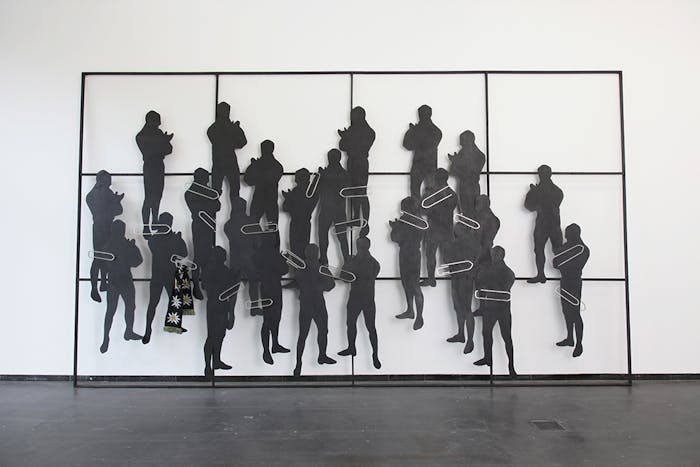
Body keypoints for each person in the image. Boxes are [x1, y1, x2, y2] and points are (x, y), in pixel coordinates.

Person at [142, 212, 188, 344]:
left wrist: (178, 240)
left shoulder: (155, 239)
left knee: (171, 302)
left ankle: (171, 325)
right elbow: (181, 253)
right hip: (162, 275)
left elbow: (184, 253)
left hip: (165, 275)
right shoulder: (156, 239)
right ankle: (148, 329)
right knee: (155, 303)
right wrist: (177, 240)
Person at [98, 220, 143, 353]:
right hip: (120, 280)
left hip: (118, 280)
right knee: (114, 310)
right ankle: (109, 337)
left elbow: (137, 262)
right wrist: (132, 248)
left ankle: (126, 332)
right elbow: (137, 262)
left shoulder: (110, 245)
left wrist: (132, 248)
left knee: (123, 308)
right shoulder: (115, 245)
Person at [293, 244, 337, 377]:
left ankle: (304, 361)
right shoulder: (315, 267)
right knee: (314, 332)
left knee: (307, 333)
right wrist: (319, 286)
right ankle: (317, 357)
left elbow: (331, 284)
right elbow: (331, 284)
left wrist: (316, 286)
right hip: (315, 302)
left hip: (311, 302)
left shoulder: (303, 266)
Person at [339, 237, 381, 369]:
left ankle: (353, 348)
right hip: (368, 298)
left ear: (357, 246)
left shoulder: (354, 262)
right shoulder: (375, 263)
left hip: (357, 298)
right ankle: (374, 354)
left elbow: (343, 278)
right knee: (370, 328)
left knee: (353, 324)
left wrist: (347, 262)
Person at [473, 246, 516, 376]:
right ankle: (487, 358)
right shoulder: (487, 269)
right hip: (489, 308)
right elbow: (480, 282)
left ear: (502, 256)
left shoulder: (508, 272)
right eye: (492, 254)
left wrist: (488, 284)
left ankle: (511, 367)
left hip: (502, 309)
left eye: (495, 255)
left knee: (507, 337)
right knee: (486, 333)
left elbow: (505, 287)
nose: (493, 257)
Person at [553, 223, 590, 357]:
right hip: (565, 281)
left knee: (575, 313)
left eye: (567, 233)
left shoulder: (582, 249)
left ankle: (579, 343)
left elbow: (559, 263)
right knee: (566, 311)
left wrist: (562, 262)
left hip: (574, 282)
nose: (566, 236)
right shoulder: (570, 247)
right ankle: (570, 337)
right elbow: (556, 259)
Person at [443, 223, 481, 354]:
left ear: (463, 229)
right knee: (458, 307)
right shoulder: (462, 242)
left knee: (465, 309)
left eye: (457, 229)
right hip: (456, 277)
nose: (455, 231)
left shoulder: (469, 242)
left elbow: (448, 258)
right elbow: (448, 259)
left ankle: (470, 340)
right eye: (455, 230)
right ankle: (461, 334)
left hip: (465, 278)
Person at [86, 170, 123, 302]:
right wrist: (116, 201)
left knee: (102, 256)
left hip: (99, 227)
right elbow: (118, 210)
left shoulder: (93, 194)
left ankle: (101, 284)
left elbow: (91, 202)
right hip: (105, 228)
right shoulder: (105, 193)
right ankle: (98, 285)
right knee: (104, 256)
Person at [201, 246, 239, 377]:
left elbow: (205, 286)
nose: (225, 258)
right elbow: (232, 289)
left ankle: (215, 361)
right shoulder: (222, 270)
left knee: (217, 335)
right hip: (218, 304)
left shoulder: (209, 269)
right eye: (223, 256)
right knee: (214, 336)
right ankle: (209, 365)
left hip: (215, 304)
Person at [254, 232, 290, 364]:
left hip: (264, 287)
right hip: (275, 287)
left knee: (267, 319)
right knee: (275, 318)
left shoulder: (258, 253)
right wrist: (284, 259)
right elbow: (284, 270)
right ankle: (271, 347)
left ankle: (271, 347)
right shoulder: (275, 254)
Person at [338, 106, 375, 235]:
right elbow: (344, 146)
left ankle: (363, 221)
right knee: (356, 191)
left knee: (360, 192)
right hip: (359, 162)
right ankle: (358, 218)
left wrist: (346, 136)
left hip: (357, 162)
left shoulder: (356, 131)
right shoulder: (369, 131)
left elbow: (343, 146)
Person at [184, 168, 220, 298]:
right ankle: (196, 286)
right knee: (199, 256)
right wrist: (210, 200)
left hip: (209, 226)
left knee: (208, 255)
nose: (207, 181)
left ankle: (204, 281)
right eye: (206, 178)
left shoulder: (205, 192)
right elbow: (205, 208)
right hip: (200, 226)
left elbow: (217, 207)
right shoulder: (191, 193)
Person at [390, 197, 425, 330]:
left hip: (406, 254)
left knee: (412, 285)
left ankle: (417, 315)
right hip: (414, 253)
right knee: (410, 284)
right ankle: (411, 311)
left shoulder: (404, 220)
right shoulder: (420, 220)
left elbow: (395, 238)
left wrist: (394, 227)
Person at [524, 164, 564, 283]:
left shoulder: (556, 191)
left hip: (553, 223)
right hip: (542, 223)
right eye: (541, 174)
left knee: (558, 249)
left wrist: (536, 194)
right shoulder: (541, 190)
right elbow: (529, 206)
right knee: (538, 249)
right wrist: (534, 194)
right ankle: (541, 274)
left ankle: (565, 273)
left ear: (549, 174)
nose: (542, 176)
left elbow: (553, 204)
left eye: (544, 174)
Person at [136, 110, 173, 234]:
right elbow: (152, 151)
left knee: (157, 196)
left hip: (158, 166)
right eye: (157, 122)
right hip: (150, 167)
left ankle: (155, 220)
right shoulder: (142, 136)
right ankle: (146, 226)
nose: (159, 125)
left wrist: (163, 142)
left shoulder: (157, 133)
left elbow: (168, 149)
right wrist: (162, 142)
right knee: (149, 197)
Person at [421, 168, 458, 287]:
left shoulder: (432, 194)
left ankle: (431, 279)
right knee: (448, 256)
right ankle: (455, 279)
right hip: (446, 230)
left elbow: (424, 210)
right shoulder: (452, 193)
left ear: (436, 179)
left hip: (435, 230)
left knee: (431, 255)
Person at [224, 197, 261, 315]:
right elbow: (258, 242)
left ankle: (230, 311)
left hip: (235, 259)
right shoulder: (251, 222)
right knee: (254, 281)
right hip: (250, 258)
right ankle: (254, 307)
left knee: (234, 286)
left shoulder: (228, 224)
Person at [208, 102, 247, 202]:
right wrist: (234, 133)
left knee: (215, 192)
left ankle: (213, 211)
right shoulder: (232, 127)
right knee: (234, 191)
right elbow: (242, 142)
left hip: (218, 161)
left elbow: (242, 142)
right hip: (230, 161)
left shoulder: (212, 129)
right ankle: (236, 211)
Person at [317, 148, 350, 265]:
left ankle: (324, 260)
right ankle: (347, 261)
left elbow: (318, 191)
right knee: (342, 238)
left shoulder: (324, 174)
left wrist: (322, 176)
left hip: (327, 209)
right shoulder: (344, 174)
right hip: (339, 210)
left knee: (323, 236)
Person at [403, 104, 442, 200]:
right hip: (431, 164)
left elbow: (408, 145)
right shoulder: (437, 131)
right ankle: (429, 209)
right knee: (431, 193)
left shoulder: (417, 130)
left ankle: (416, 210)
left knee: (416, 192)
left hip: (418, 164)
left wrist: (411, 132)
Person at [244, 139, 284, 224]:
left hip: (258, 198)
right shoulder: (278, 166)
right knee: (273, 228)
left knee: (253, 226)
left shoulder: (257, 164)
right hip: (271, 199)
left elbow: (248, 180)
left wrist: (253, 167)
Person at [282, 168, 319, 258]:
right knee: (304, 251)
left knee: (295, 250)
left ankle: (296, 266)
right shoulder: (312, 192)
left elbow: (285, 208)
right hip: (306, 223)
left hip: (296, 223)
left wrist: (288, 198)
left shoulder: (297, 191)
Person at [448, 130, 485, 215]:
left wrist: (456, 163)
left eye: (463, 141)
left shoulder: (479, 156)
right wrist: (455, 162)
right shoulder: (464, 152)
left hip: (470, 187)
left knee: (471, 211)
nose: (461, 144)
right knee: (464, 211)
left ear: (469, 141)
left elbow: (470, 174)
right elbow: (453, 171)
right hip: (464, 186)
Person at [474, 195, 500, 266]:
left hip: (479, 253)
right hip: (488, 251)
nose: (476, 207)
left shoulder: (481, 218)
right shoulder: (496, 219)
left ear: (483, 204)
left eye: (477, 204)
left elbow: (476, 236)